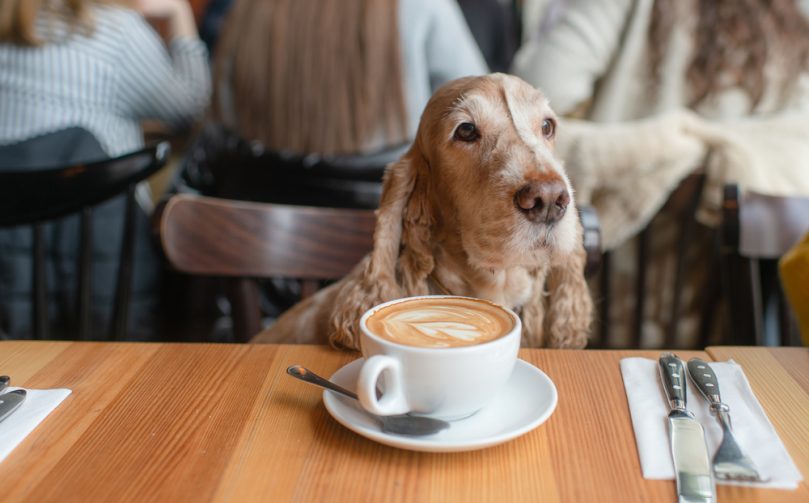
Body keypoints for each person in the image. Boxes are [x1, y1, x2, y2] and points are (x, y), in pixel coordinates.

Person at [512, 0, 809, 347]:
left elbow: (532, 96)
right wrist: (712, 148)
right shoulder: (789, 16)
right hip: (728, 334)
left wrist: (664, 146)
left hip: (600, 308)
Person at [0, 0, 211, 339]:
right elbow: (189, 107)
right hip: (104, 289)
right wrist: (178, 14)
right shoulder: (115, 32)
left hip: (10, 298)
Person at [210, 0, 488, 170]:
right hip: (388, 230)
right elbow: (486, 115)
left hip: (256, 227)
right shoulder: (422, 6)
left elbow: (221, 114)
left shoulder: (247, 9)